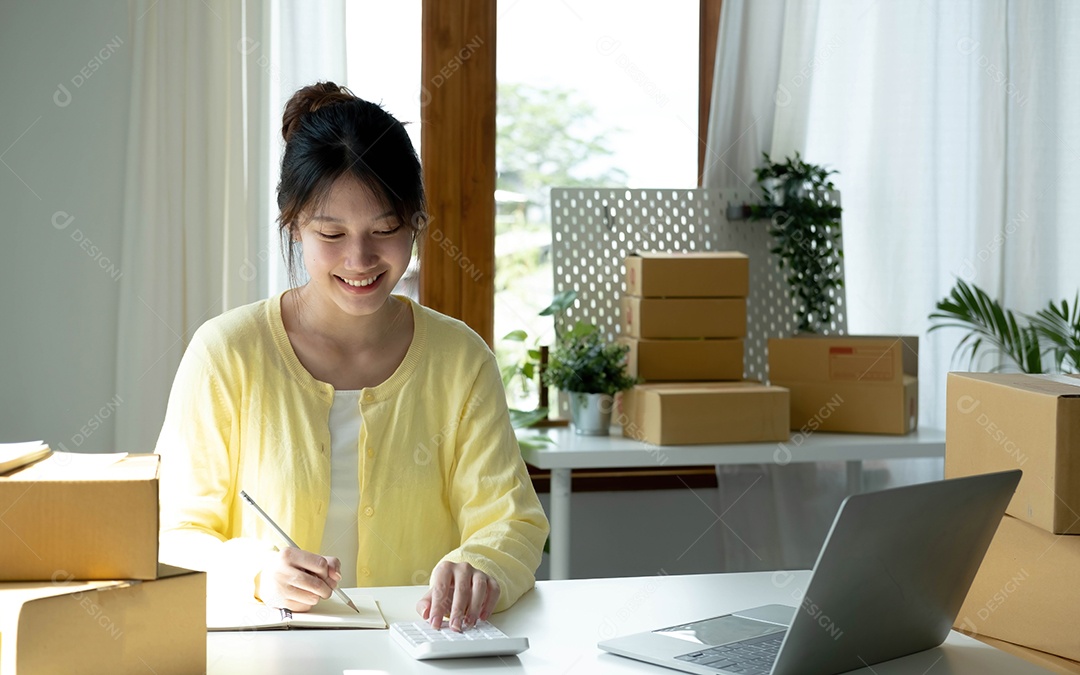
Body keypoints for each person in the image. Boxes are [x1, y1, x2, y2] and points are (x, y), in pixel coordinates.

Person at [155, 81, 549, 632]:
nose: (360, 258)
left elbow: (511, 521)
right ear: (293, 225)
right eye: (331, 233)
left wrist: (480, 565)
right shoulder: (227, 353)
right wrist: (257, 573)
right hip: (272, 656)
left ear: (414, 221)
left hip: (421, 655)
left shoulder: (459, 358)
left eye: (385, 229)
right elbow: (171, 533)